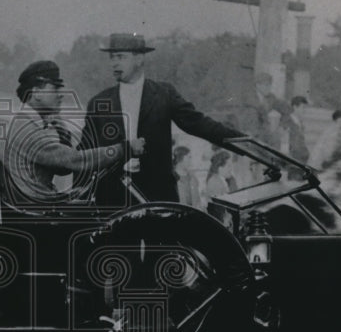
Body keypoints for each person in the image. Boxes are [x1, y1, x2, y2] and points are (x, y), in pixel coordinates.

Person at [80, 33, 242, 206]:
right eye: (112, 57)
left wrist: (243, 143)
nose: (114, 63)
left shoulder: (164, 94)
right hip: (112, 199)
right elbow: (84, 152)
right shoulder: (98, 102)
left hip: (157, 196)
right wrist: (80, 195)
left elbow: (200, 124)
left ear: (139, 58)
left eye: (121, 57)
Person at [6, 60, 144, 205]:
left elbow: (62, 169)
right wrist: (124, 148)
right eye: (55, 89)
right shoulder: (28, 129)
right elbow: (74, 160)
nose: (60, 95)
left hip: (40, 205)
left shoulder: (28, 122)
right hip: (38, 213)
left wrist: (62, 130)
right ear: (37, 93)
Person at [282, 95, 310, 164]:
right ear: (295, 107)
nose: (305, 111)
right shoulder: (287, 122)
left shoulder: (300, 123)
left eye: (305, 108)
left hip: (301, 159)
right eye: (303, 108)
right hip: (293, 160)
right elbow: (285, 143)